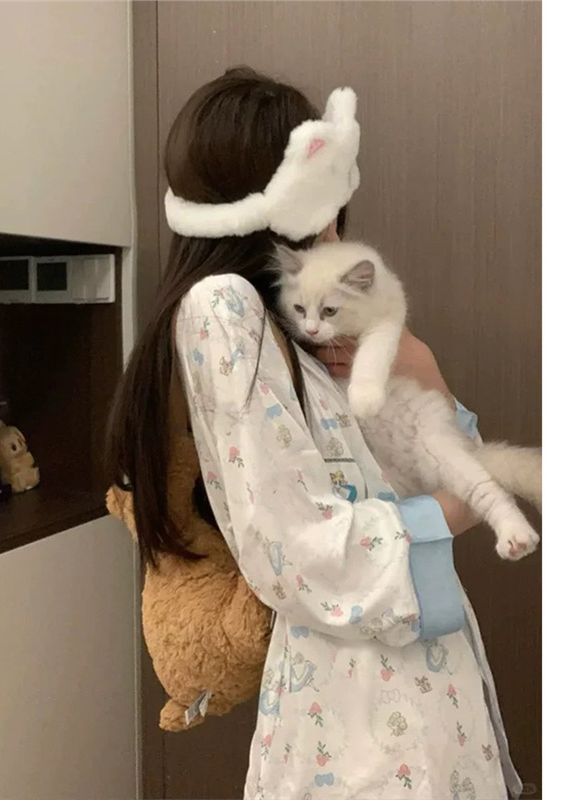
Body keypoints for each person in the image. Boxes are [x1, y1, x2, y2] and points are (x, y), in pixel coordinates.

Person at [106, 67, 523, 800]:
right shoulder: (222, 309)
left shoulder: (299, 328)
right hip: (360, 715)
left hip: (418, 692)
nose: (336, 229)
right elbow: (299, 550)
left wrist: (416, 363)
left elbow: (430, 454)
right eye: (327, 205)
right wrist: (457, 510)